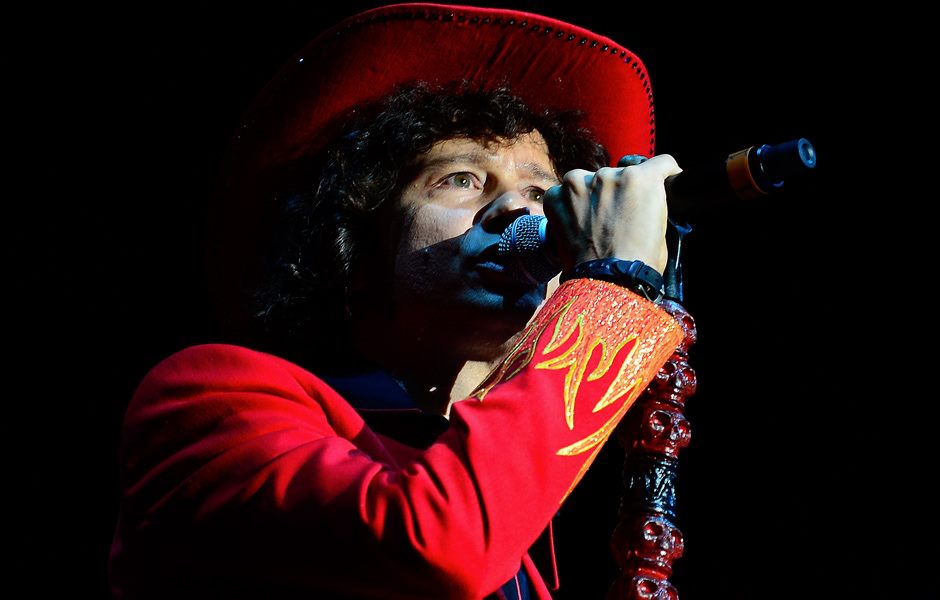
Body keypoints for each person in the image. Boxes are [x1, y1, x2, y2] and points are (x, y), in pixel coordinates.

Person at [108, 3, 684, 599]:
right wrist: (613, 288)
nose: (520, 209)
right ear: (354, 251)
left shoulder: (530, 563)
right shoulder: (209, 402)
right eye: (461, 179)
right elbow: (439, 542)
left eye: (541, 191)